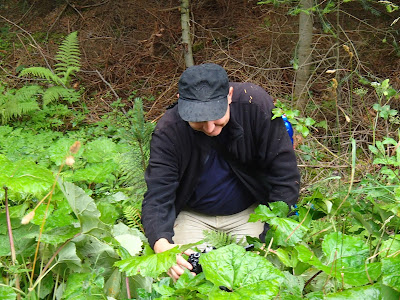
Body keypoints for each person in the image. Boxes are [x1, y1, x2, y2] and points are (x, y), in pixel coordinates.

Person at [141, 63, 300, 280]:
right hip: (193, 216)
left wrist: (271, 234)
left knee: (258, 274)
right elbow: (158, 194)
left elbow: (285, 175)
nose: (209, 128)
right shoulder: (169, 130)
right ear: (181, 101)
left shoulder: (255, 106)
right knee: (184, 275)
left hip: (250, 212)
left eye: (216, 116)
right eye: (198, 119)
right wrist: (161, 244)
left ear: (229, 96)